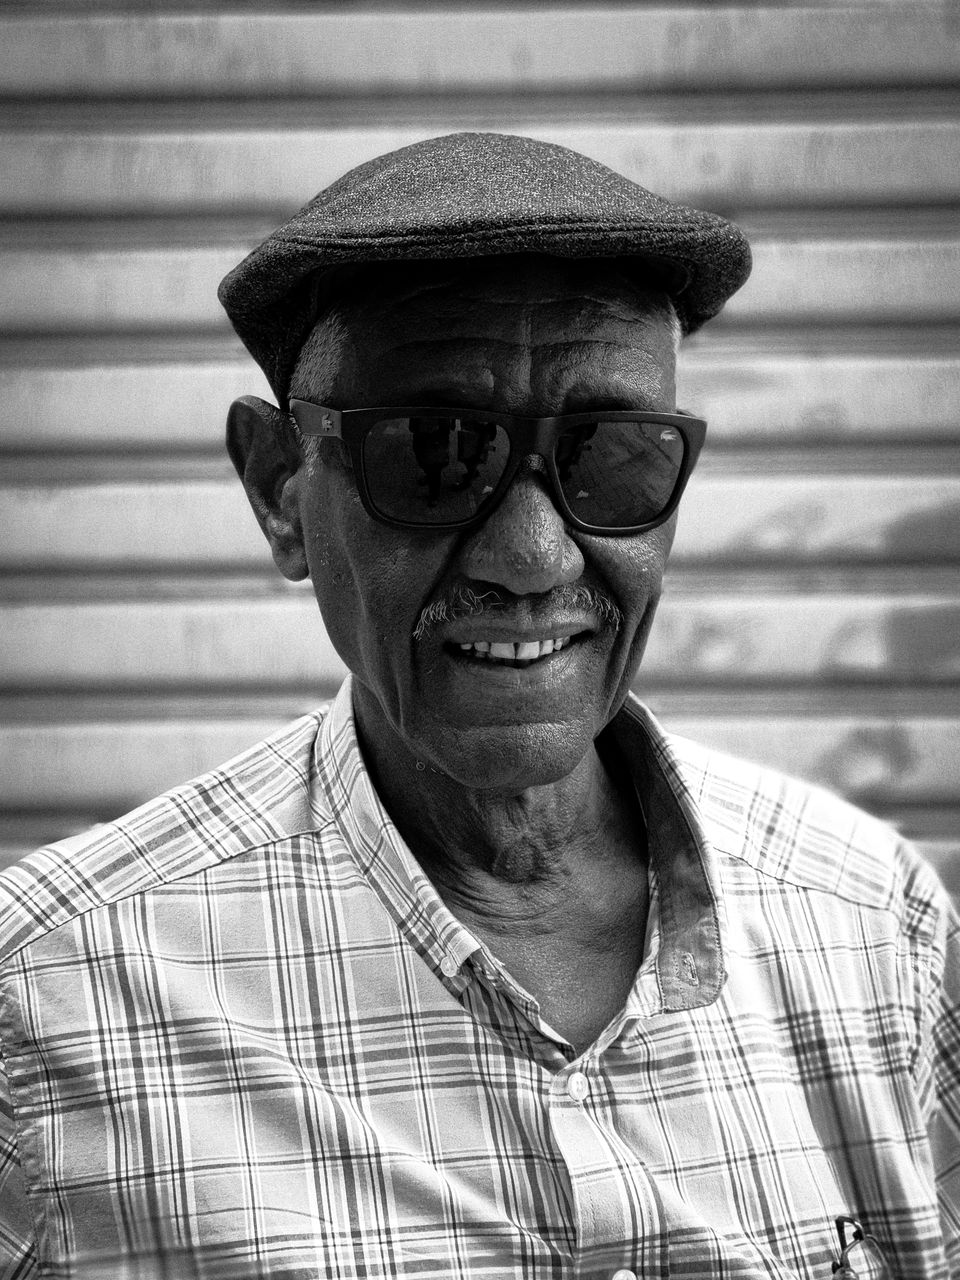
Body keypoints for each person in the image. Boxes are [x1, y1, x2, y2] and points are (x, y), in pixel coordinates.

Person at [0, 131, 957, 1280]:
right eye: (434, 450)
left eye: (612, 453)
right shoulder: (49, 991)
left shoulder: (869, 919)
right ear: (279, 490)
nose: (533, 554)